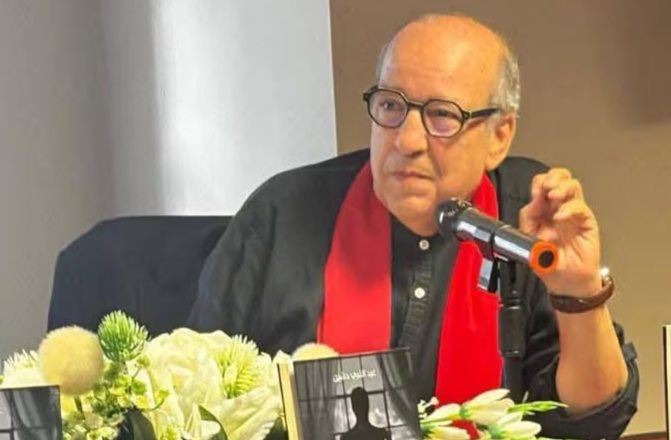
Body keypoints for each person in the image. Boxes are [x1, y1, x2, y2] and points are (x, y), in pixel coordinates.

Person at [188, 14, 638, 439]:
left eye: (442, 115)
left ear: (499, 135)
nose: (406, 140)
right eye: (391, 105)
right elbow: (194, 404)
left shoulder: (526, 225)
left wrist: (578, 292)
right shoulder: (282, 216)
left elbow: (594, 421)